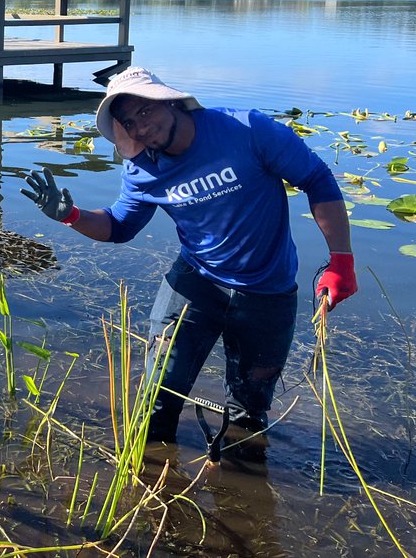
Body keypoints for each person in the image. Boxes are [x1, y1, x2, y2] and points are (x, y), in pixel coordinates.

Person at [22, 67, 356, 458]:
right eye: (128, 122)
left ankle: (238, 486)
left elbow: (316, 178)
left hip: (267, 290)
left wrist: (341, 261)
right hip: (195, 283)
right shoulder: (142, 167)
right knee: (156, 397)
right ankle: (150, 486)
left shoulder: (247, 130)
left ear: (169, 100)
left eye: (145, 112)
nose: (140, 128)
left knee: (248, 414)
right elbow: (119, 225)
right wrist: (71, 215)